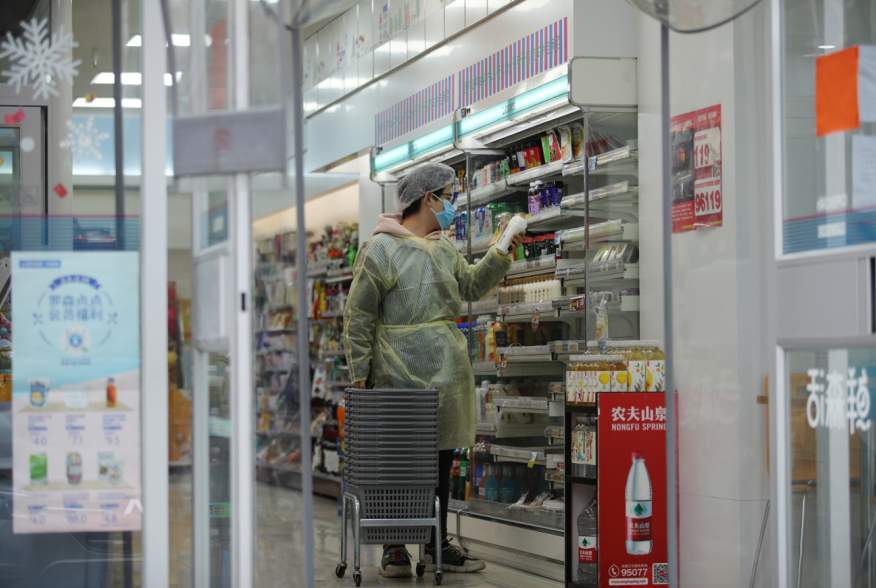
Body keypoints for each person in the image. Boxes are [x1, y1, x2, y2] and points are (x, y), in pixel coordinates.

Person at [343, 162, 522, 578]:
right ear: (428, 199)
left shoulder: (444, 249)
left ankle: (434, 541)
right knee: (397, 460)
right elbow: (359, 316)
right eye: (449, 195)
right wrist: (359, 373)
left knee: (440, 458)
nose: (452, 205)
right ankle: (393, 545)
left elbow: (472, 286)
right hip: (395, 369)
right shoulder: (380, 249)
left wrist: (501, 251)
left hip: (446, 372)